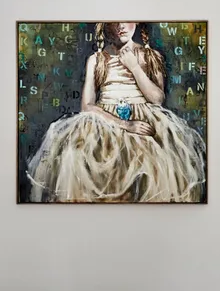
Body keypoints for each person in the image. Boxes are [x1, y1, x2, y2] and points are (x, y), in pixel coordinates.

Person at [27, 21, 206, 203]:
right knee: (80, 157)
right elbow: (87, 106)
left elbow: (157, 99)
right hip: (105, 121)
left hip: (144, 119)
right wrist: (125, 124)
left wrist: (134, 67)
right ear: (105, 26)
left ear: (137, 22)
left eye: (126, 21)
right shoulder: (97, 59)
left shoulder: (150, 56)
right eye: (114, 22)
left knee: (151, 165)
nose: (120, 26)